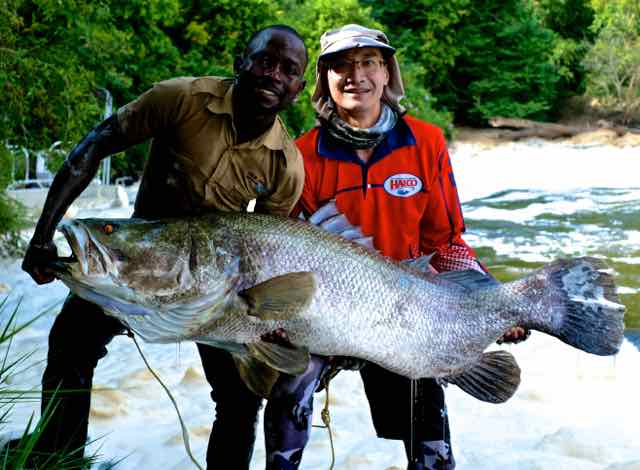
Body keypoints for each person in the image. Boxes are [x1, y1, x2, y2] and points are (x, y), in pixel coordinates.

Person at [14, 25, 308, 469]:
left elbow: (265, 249)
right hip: (135, 263)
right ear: (240, 62)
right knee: (70, 345)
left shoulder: (285, 164)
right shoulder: (181, 99)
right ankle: (62, 456)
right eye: (265, 61)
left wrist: (265, 319)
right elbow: (95, 147)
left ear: (298, 89)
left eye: (288, 70)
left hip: (214, 286)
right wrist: (42, 235)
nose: (273, 75)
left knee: (241, 398)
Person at [267, 24, 529, 470]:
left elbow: (444, 242)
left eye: (369, 62)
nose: (356, 75)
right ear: (325, 80)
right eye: (341, 66)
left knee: (429, 428)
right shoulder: (301, 155)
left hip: (407, 312)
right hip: (326, 310)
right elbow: (287, 249)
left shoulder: (426, 142)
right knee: (289, 388)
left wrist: (492, 297)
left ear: (387, 73)